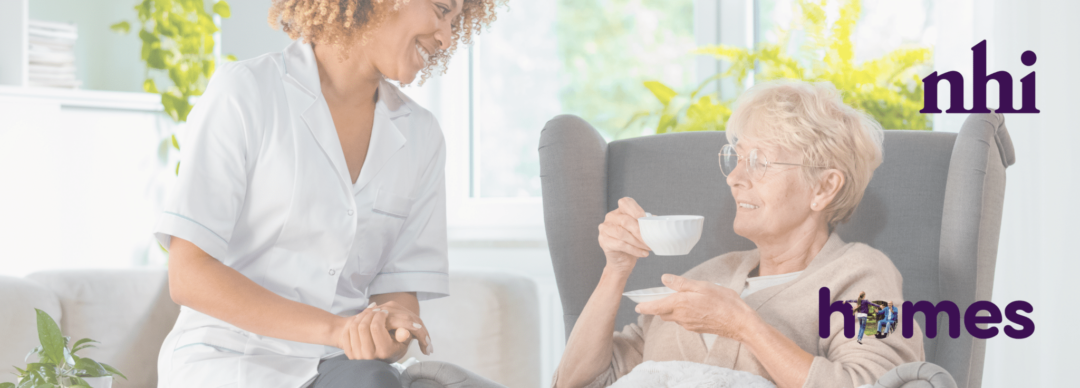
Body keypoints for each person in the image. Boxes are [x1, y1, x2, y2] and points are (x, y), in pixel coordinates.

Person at [153, 1, 502, 387]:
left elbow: (398, 295)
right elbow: (188, 274)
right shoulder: (246, 90)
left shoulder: (422, 136)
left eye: (457, 22)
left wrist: (388, 332)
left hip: (343, 367)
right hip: (229, 357)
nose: (447, 37)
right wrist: (337, 330)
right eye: (441, 10)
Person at [553, 80, 925, 388]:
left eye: (760, 162)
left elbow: (876, 384)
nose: (734, 178)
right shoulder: (706, 276)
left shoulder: (865, 280)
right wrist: (615, 270)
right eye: (737, 157)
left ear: (824, 187)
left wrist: (743, 325)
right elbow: (577, 382)